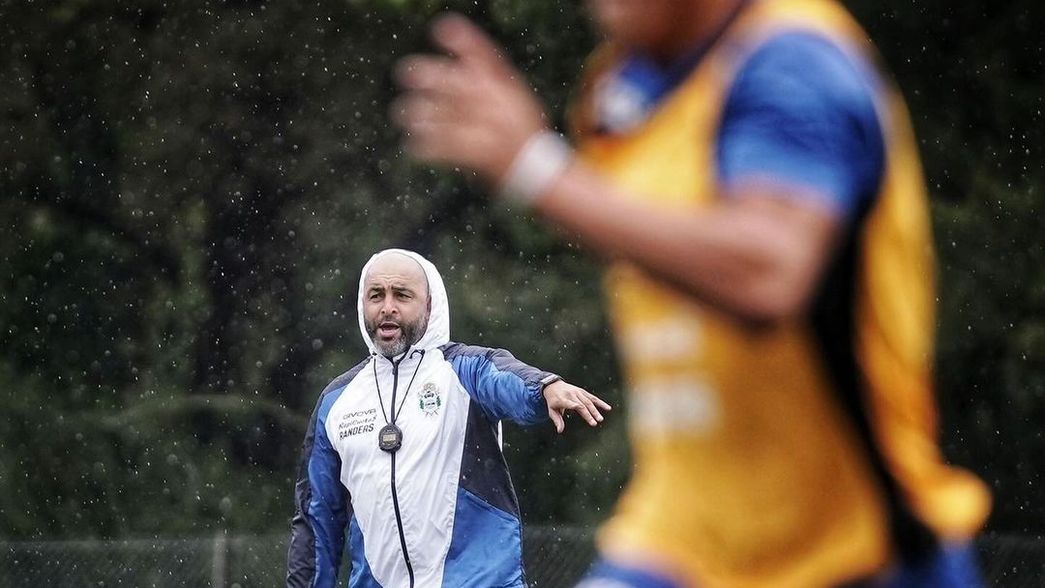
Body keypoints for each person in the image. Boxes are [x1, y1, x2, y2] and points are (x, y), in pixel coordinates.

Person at [392, 0, 991, 586]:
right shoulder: (618, 86)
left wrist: (539, 172)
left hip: (851, 554)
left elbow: (768, 271)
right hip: (677, 542)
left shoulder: (793, 60)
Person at [285, 248, 610, 587]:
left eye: (402, 295)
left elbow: (506, 378)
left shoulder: (464, 370)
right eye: (376, 295)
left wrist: (543, 388)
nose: (387, 307)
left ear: (429, 305)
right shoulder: (336, 401)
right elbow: (316, 519)